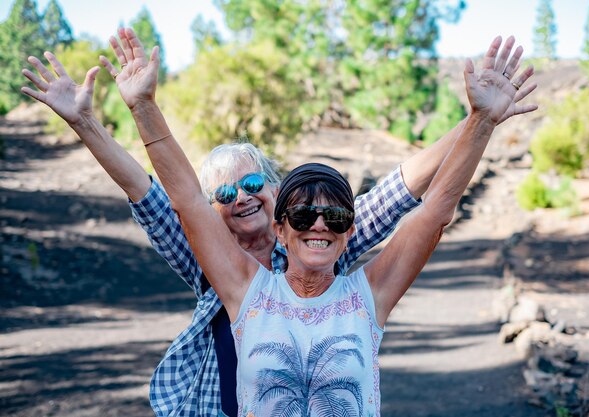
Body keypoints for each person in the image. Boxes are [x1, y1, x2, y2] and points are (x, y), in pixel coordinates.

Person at [21, 28, 536, 416]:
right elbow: (175, 198)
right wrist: (138, 108)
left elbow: (425, 203)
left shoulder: (358, 286)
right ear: (285, 227)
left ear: (346, 229)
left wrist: (479, 121)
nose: (320, 222)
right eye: (225, 192)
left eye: (334, 215)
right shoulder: (231, 281)